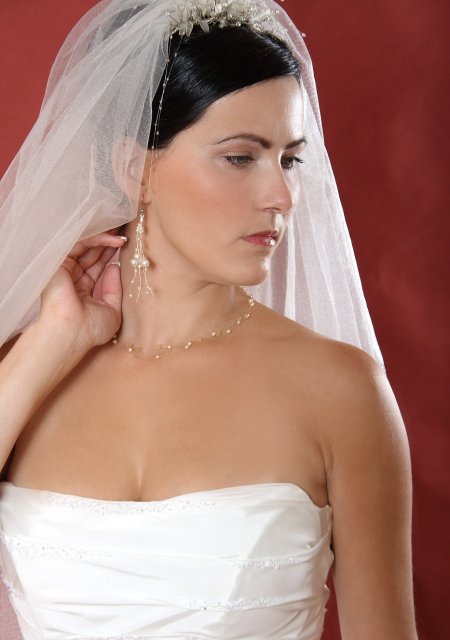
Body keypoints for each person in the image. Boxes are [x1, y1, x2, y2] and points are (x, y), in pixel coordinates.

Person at [0, 1, 417, 638]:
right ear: (136, 171)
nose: (281, 196)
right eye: (241, 157)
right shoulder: (23, 371)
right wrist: (49, 343)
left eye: (290, 159)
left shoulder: (340, 389)